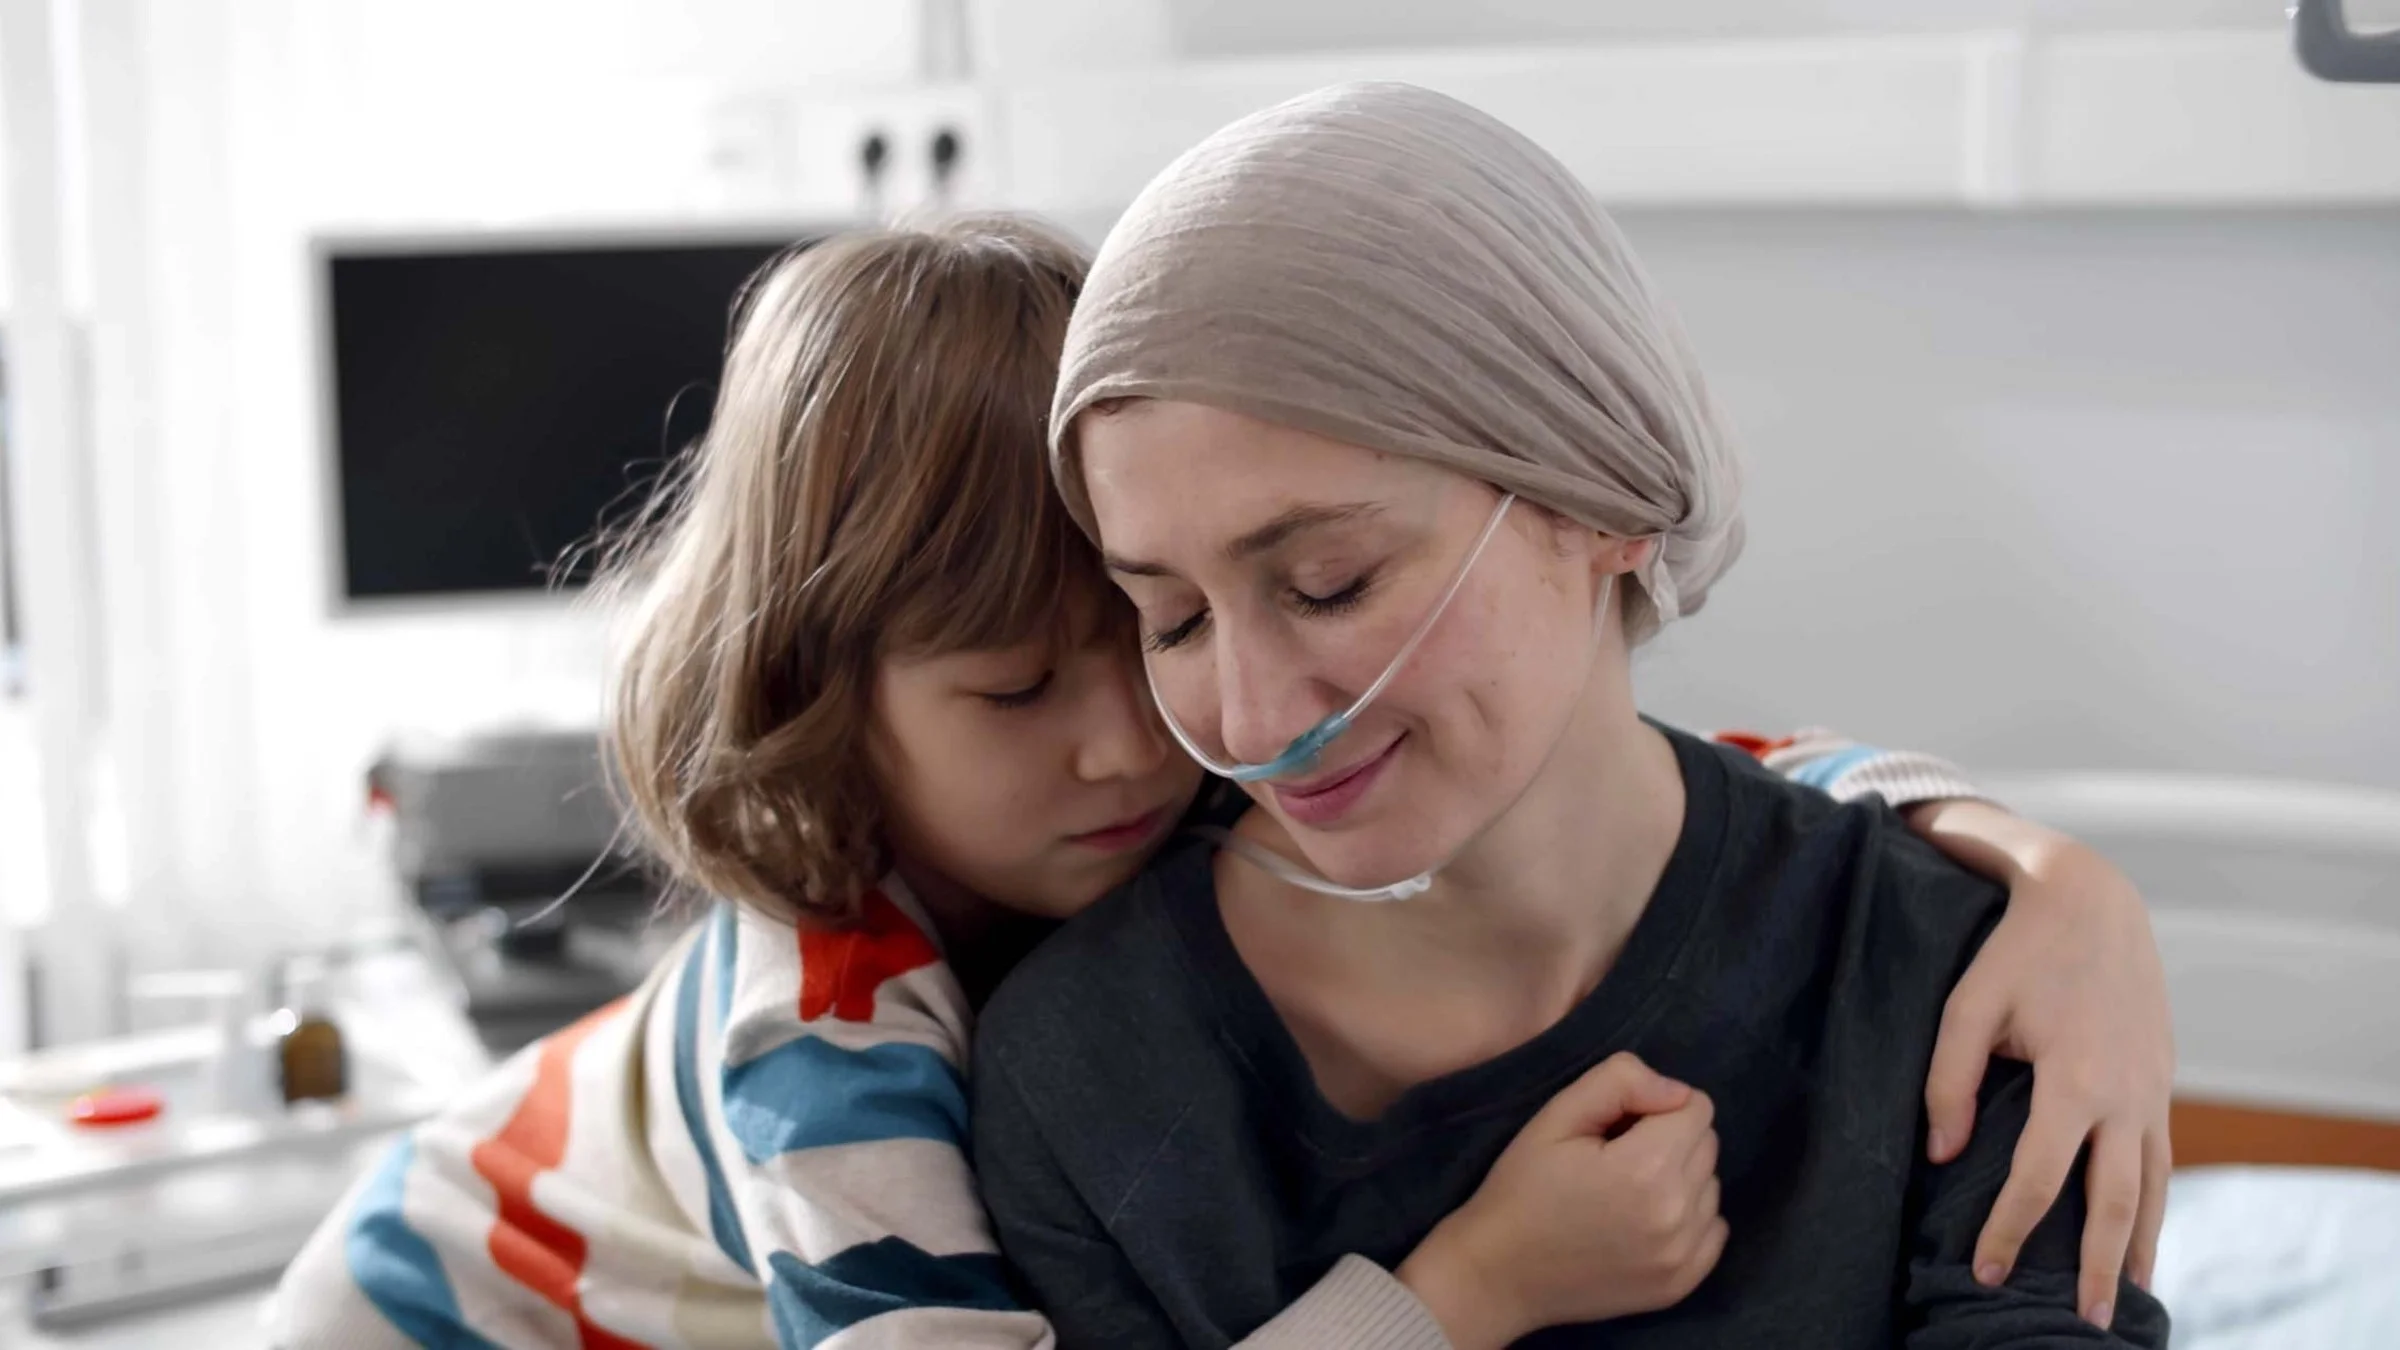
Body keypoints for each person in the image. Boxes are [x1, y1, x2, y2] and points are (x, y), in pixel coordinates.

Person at [269, 215, 2163, 1350]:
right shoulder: (824, 1042)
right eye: (1016, 688)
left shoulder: (1175, 755)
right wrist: (1469, 1291)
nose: (1162, 729)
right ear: (820, 697)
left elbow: (1645, 780)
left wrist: (2036, 873)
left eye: (1148, 624)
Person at [969, 84, 2174, 1349]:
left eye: (1331, 583)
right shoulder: (1082, 1074)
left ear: (1602, 501)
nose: (1253, 718)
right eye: (1172, 620)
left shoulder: (1975, 985)